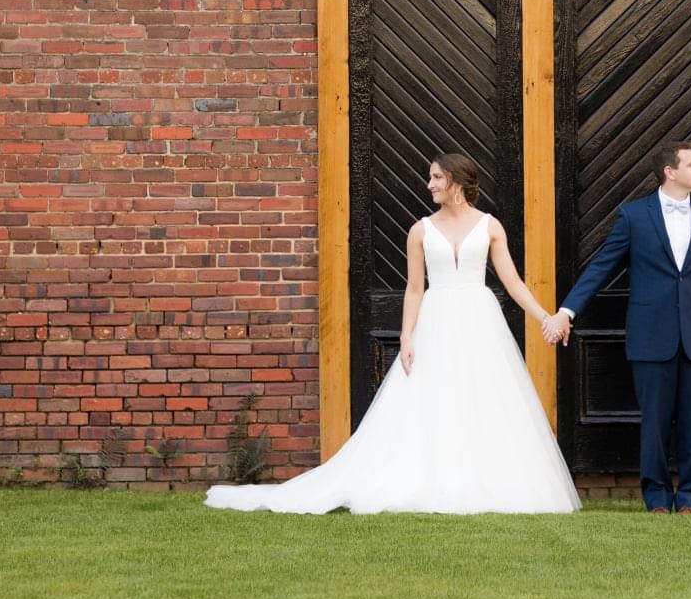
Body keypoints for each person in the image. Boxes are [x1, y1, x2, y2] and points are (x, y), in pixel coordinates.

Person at [206, 152, 580, 515]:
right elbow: (414, 288)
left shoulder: (489, 226)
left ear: (457, 181)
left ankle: (481, 480)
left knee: (481, 397)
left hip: (480, 320)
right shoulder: (420, 230)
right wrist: (406, 337)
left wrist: (545, 317)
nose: (429, 183)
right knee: (434, 398)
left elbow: (512, 282)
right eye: (430, 176)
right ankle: (434, 477)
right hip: (438, 319)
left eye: (436, 177)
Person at [544, 141, 691, 515]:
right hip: (651, 336)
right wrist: (567, 311)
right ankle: (658, 498)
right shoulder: (634, 217)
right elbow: (601, 267)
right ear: (670, 171)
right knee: (655, 423)